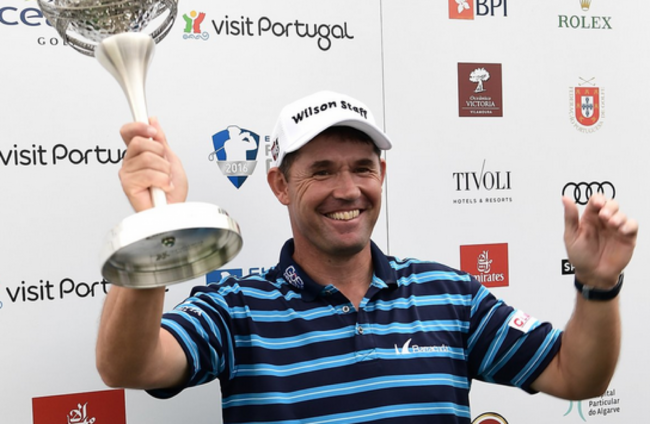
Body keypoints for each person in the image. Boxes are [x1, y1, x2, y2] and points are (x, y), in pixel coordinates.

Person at [96, 91, 638, 423]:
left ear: (382, 175)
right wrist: (155, 225)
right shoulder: (235, 307)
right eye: (322, 171)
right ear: (280, 184)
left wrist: (597, 285)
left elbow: (576, 376)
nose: (347, 189)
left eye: (362, 168)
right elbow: (129, 365)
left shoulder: (449, 295)